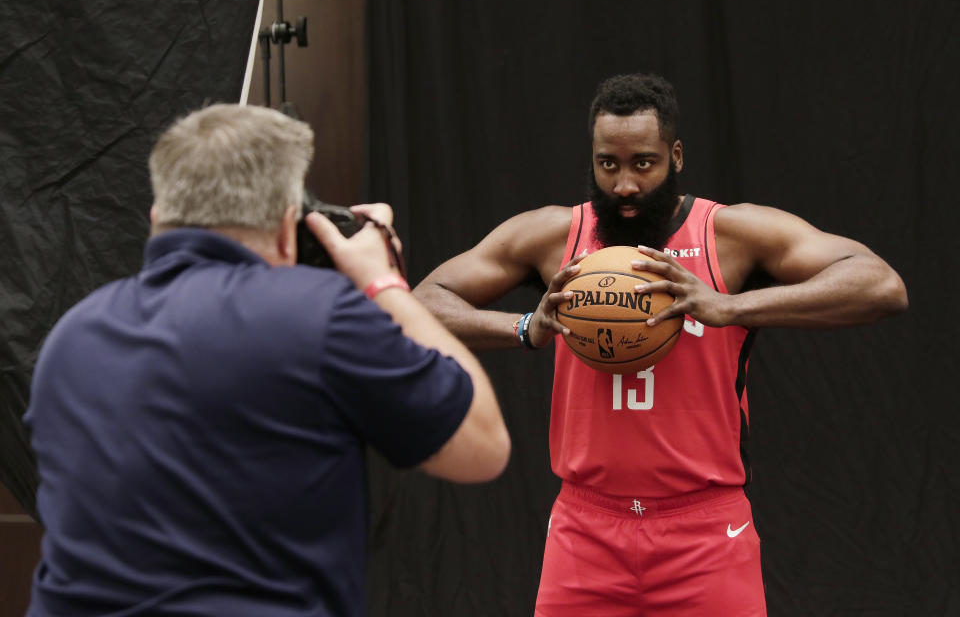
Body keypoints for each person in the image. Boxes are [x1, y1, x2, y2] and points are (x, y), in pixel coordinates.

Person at [413, 73, 908, 616]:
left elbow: (880, 284)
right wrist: (523, 326)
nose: (624, 184)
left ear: (675, 156)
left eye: (642, 163)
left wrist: (730, 306)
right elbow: (420, 302)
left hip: (705, 529)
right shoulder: (555, 237)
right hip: (586, 530)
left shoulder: (729, 235)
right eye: (608, 164)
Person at [23, 103, 510, 617]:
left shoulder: (70, 335)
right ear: (287, 227)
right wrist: (383, 282)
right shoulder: (318, 316)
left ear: (157, 217)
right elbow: (482, 447)